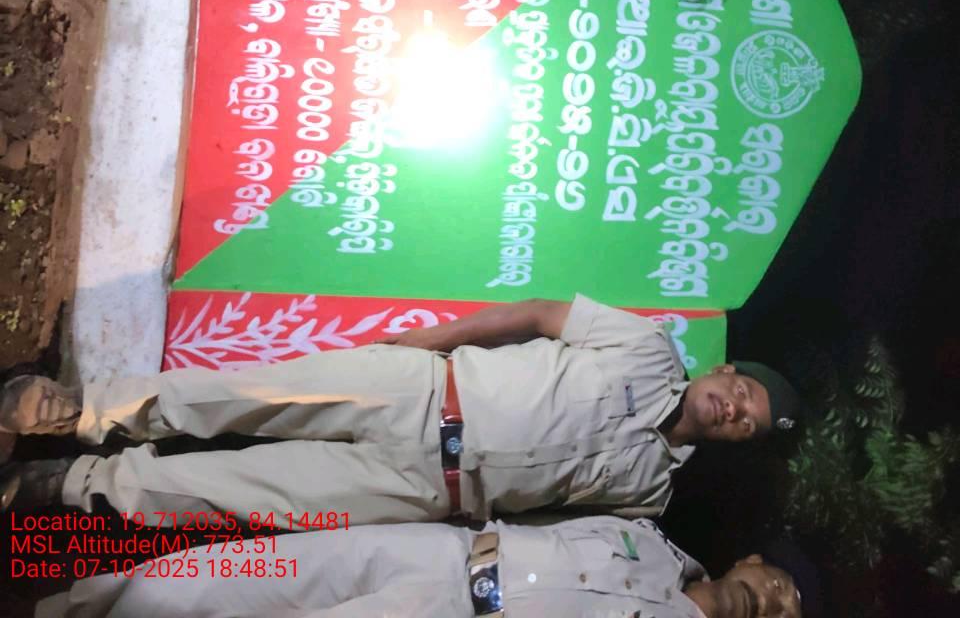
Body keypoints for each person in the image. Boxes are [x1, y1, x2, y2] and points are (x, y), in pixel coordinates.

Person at [0, 293, 800, 527]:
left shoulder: (651, 494)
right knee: (243, 392)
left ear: (738, 440)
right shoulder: (649, 348)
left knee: (234, 496)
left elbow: (547, 522)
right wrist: (427, 342)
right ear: (726, 371)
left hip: (423, 492)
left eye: (747, 422)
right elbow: (534, 315)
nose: (735, 410)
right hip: (422, 389)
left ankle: (66, 487)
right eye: (744, 393)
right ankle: (77, 411)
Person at [35, 515, 803, 618]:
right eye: (780, 587)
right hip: (441, 551)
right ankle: (65, 604)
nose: (773, 605)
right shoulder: (649, 537)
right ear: (751, 561)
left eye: (784, 617)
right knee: (238, 569)